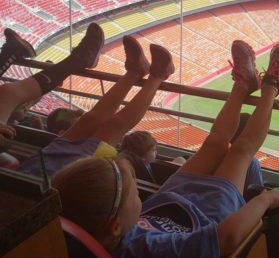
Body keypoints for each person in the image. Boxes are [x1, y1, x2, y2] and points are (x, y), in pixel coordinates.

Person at [52, 40, 279, 258]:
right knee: (241, 149)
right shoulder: (148, 253)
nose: (140, 196)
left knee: (215, 142)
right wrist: (265, 199)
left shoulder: (104, 232)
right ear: (115, 227)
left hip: (174, 194)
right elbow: (227, 238)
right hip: (209, 212)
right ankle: (271, 86)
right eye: (135, 195)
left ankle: (243, 84)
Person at [15, 27, 175, 178]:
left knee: (89, 119)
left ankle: (134, 71)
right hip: (68, 175)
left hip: (40, 167)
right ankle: (158, 75)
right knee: (114, 126)